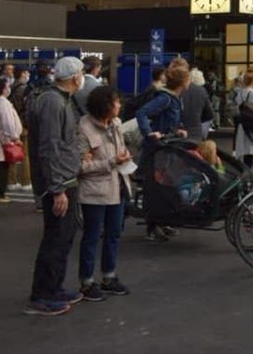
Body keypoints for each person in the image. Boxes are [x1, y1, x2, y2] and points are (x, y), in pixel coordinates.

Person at [25, 56, 84, 316]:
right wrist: (57, 188)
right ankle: (42, 294)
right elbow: (49, 146)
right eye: (81, 73)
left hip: (66, 179)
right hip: (58, 183)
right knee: (55, 238)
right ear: (74, 77)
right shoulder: (52, 101)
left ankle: (54, 287)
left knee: (64, 237)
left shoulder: (62, 100)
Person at [76, 85, 132, 302]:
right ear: (106, 105)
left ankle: (109, 276)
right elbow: (80, 166)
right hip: (95, 192)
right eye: (116, 102)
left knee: (114, 233)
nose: (120, 105)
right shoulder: (84, 128)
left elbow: (119, 149)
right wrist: (111, 161)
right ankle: (87, 281)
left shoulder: (115, 124)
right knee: (91, 236)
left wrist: (123, 156)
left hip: (117, 186)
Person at [137, 64, 189, 242]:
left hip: (166, 148)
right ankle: (152, 227)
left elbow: (169, 121)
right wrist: (149, 132)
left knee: (165, 185)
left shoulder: (174, 98)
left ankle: (162, 221)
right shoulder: (165, 98)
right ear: (182, 82)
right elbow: (142, 112)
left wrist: (178, 130)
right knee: (156, 187)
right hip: (157, 149)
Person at [0, 76, 23, 204]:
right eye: (7, 87)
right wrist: (15, 137)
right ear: (2, 89)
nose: (9, 89)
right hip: (3, 141)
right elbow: (8, 123)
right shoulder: (3, 104)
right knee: (0, 169)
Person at [181, 67, 214, 143]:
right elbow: (209, 114)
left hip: (179, 133)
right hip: (196, 133)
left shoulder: (178, 90)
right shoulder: (202, 92)